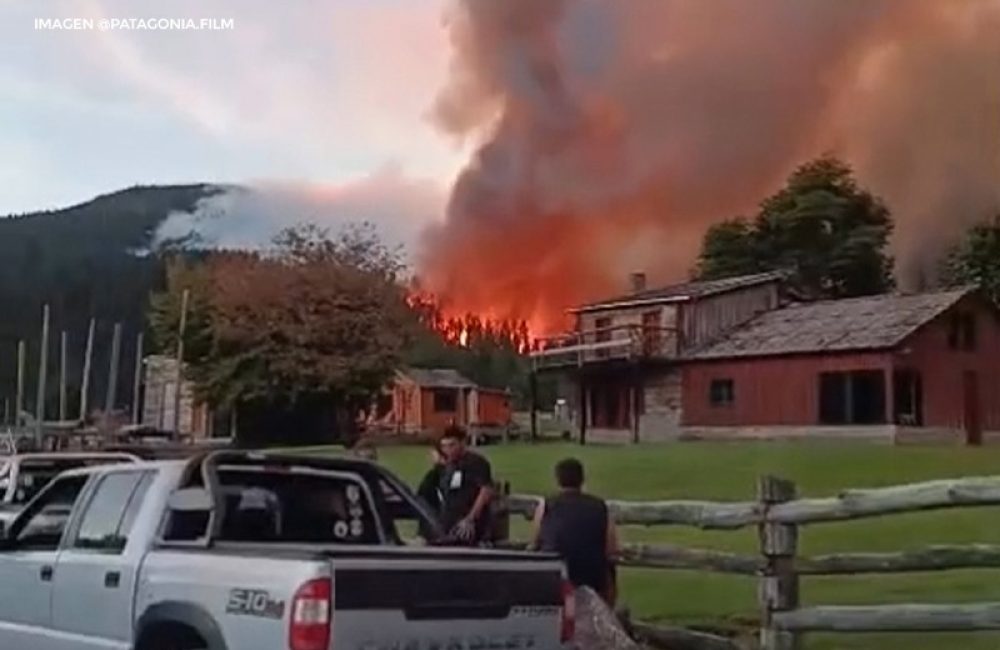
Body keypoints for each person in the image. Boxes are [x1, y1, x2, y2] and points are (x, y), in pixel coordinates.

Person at [532, 458, 619, 605]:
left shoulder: (547, 505)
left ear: (558, 480)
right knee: (609, 571)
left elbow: (536, 540)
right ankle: (607, 612)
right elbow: (611, 547)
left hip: (556, 571)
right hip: (591, 573)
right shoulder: (599, 506)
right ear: (582, 479)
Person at [437, 425, 494, 545]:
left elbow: (486, 490)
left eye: (452, 445)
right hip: (449, 523)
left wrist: (470, 519)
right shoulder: (448, 466)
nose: (448, 450)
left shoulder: (476, 462)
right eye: (444, 446)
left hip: (469, 523)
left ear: (462, 443)